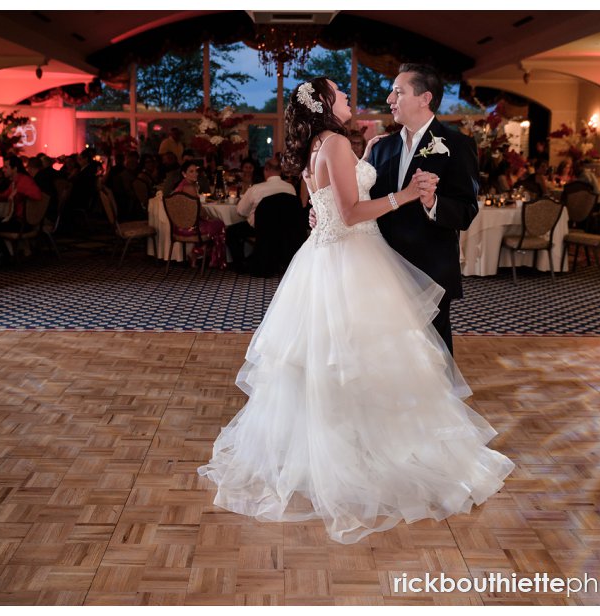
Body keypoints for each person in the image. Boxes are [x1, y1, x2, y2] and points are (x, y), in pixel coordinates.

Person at [198, 76, 513, 545]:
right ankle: (364, 454)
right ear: (326, 104)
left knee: (334, 361)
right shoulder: (338, 144)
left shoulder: (324, 145)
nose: (351, 99)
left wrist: (346, 186)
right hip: (353, 261)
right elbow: (347, 213)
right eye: (341, 95)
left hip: (332, 259)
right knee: (362, 358)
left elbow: (327, 204)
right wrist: (404, 195)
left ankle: (334, 446)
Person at [365, 63, 483, 355]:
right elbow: (366, 204)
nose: (390, 100)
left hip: (431, 271)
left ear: (424, 98)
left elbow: (467, 210)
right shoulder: (382, 147)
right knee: (388, 349)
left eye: (398, 92)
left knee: (432, 355)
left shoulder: (456, 144)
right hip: (384, 269)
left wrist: (433, 203)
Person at [226, 158, 297, 270]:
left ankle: (240, 264)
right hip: (285, 229)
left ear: (266, 170)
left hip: (261, 229)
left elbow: (240, 211)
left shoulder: (256, 189)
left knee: (231, 231)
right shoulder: (290, 188)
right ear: (280, 171)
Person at [0, 155, 43, 264]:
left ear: (14, 169)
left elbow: (38, 195)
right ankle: (1, 254)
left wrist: (21, 192)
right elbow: (4, 196)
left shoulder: (24, 181)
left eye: (6, 167)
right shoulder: (15, 181)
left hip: (23, 223)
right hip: (16, 220)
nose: (3, 169)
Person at [172, 159, 227, 269]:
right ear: (184, 174)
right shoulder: (190, 187)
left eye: (196, 171)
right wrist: (210, 217)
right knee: (220, 224)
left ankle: (198, 254)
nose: (195, 173)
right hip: (191, 228)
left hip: (177, 227)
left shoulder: (179, 186)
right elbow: (199, 211)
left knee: (214, 223)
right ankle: (202, 255)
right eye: (191, 171)